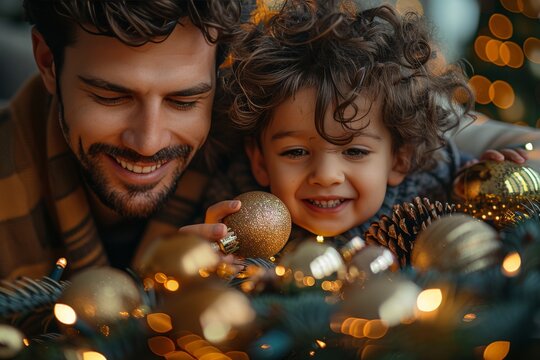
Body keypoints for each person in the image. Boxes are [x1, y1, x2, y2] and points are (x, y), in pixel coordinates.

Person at [202, 0, 528, 252]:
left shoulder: (438, 193)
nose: (327, 175)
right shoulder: (238, 207)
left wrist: (495, 188)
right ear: (260, 161)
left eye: (355, 150)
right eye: (296, 151)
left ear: (400, 158)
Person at [0, 0, 242, 280]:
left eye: (183, 102)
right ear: (48, 62)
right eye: (111, 98)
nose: (148, 143)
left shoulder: (265, 168)